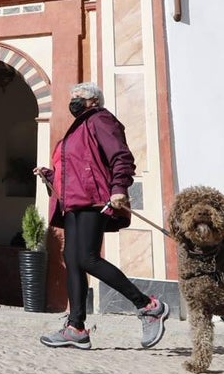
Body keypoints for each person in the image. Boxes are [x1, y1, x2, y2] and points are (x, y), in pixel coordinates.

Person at [34, 82, 169, 350]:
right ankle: (76, 328)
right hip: (72, 203)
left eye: (79, 96)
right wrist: (49, 175)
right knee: (72, 260)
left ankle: (148, 305)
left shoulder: (101, 120)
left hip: (94, 200)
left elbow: (121, 157)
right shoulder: (77, 130)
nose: (73, 100)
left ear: (93, 101)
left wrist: (119, 187)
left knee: (87, 258)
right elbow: (74, 168)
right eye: (71, 95)